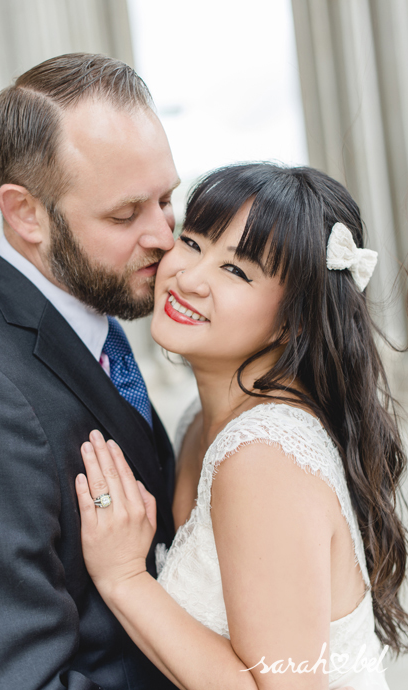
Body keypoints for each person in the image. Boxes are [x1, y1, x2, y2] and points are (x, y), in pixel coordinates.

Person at [76, 163, 408, 689]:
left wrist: (124, 578)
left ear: (295, 318)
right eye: (192, 242)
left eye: (236, 271)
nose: (189, 277)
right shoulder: (195, 424)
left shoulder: (263, 458)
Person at [0, 54, 181, 689]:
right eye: (125, 214)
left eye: (168, 199)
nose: (164, 235)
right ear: (25, 212)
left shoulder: (98, 301)